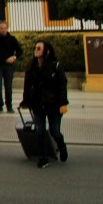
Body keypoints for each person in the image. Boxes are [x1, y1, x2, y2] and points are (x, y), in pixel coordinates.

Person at [20, 40, 69, 168]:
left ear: (46, 51)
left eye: (39, 48)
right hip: (38, 104)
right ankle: (43, 157)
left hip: (54, 104)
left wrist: (63, 103)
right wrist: (25, 100)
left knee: (54, 131)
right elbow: (27, 86)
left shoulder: (55, 66)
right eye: (35, 48)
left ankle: (62, 146)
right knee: (40, 131)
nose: (36, 50)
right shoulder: (32, 67)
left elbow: (62, 86)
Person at [0, 20, 23, 113]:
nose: (3, 30)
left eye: (5, 28)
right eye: (1, 28)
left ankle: (9, 106)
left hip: (8, 66)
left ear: (7, 28)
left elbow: (19, 51)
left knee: (8, 86)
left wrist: (14, 57)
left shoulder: (12, 39)